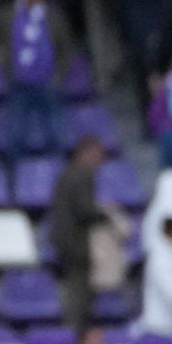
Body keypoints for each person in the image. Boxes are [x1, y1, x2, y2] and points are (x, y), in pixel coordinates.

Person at [0, 0, 67, 165]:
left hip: (47, 83)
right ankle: (14, 185)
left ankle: (56, 179)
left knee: (55, 135)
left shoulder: (54, 16)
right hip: (19, 83)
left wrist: (59, 72)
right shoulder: (8, 13)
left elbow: (67, 47)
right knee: (15, 136)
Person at [48, 137, 112, 330]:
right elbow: (84, 209)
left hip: (62, 238)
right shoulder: (83, 174)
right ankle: (76, 331)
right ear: (86, 153)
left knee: (77, 287)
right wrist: (107, 216)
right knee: (80, 290)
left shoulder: (66, 173)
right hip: (76, 241)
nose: (100, 160)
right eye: (98, 155)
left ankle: (77, 328)